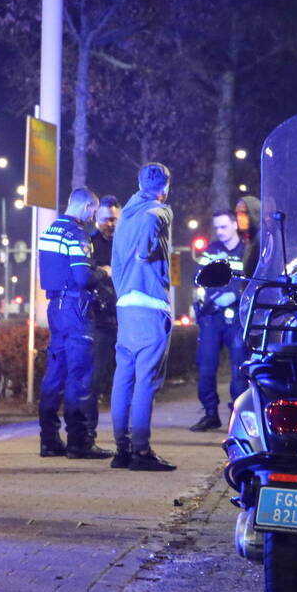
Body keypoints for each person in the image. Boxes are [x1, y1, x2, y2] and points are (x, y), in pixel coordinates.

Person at [37, 187, 114, 460]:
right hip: (76, 308)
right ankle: (79, 441)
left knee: (55, 373)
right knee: (79, 375)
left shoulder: (49, 232)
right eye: (93, 211)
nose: (94, 216)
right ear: (86, 207)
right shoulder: (76, 233)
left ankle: (48, 439)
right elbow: (83, 277)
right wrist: (103, 272)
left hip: (55, 307)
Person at [110, 163, 176, 471]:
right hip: (150, 305)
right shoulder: (159, 210)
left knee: (123, 377)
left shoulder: (124, 215)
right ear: (164, 188)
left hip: (125, 305)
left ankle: (121, 449)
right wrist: (145, 250)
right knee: (145, 382)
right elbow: (152, 225)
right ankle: (141, 451)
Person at [190, 210, 248, 432]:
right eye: (217, 228)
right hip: (213, 317)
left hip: (236, 319)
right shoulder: (212, 251)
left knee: (239, 369)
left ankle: (238, 415)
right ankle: (210, 413)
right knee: (205, 366)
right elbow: (200, 280)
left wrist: (234, 295)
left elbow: (249, 280)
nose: (220, 232)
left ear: (235, 225)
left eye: (224, 226)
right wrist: (213, 300)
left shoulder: (246, 250)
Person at [88, 195, 120, 443]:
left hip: (123, 319)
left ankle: (124, 435)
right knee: (95, 378)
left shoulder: (125, 242)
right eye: (106, 220)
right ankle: (88, 431)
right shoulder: (90, 244)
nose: (110, 224)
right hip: (99, 321)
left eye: (114, 219)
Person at [235, 196, 261, 278]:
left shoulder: (261, 241)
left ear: (254, 213)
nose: (239, 218)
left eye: (244, 213)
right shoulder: (244, 241)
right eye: (237, 213)